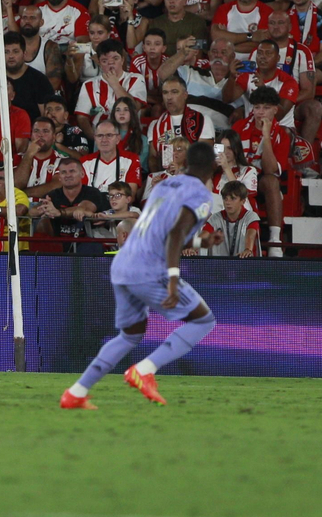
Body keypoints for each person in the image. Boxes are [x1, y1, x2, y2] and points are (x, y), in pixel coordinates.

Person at [60, 140, 219, 409]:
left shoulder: (166, 184)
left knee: (130, 334)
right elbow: (174, 236)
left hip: (124, 264)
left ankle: (76, 392)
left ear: (187, 162)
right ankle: (145, 370)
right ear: (212, 167)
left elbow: (162, 231)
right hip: (149, 268)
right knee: (203, 321)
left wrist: (201, 243)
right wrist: (171, 281)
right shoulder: (202, 195)